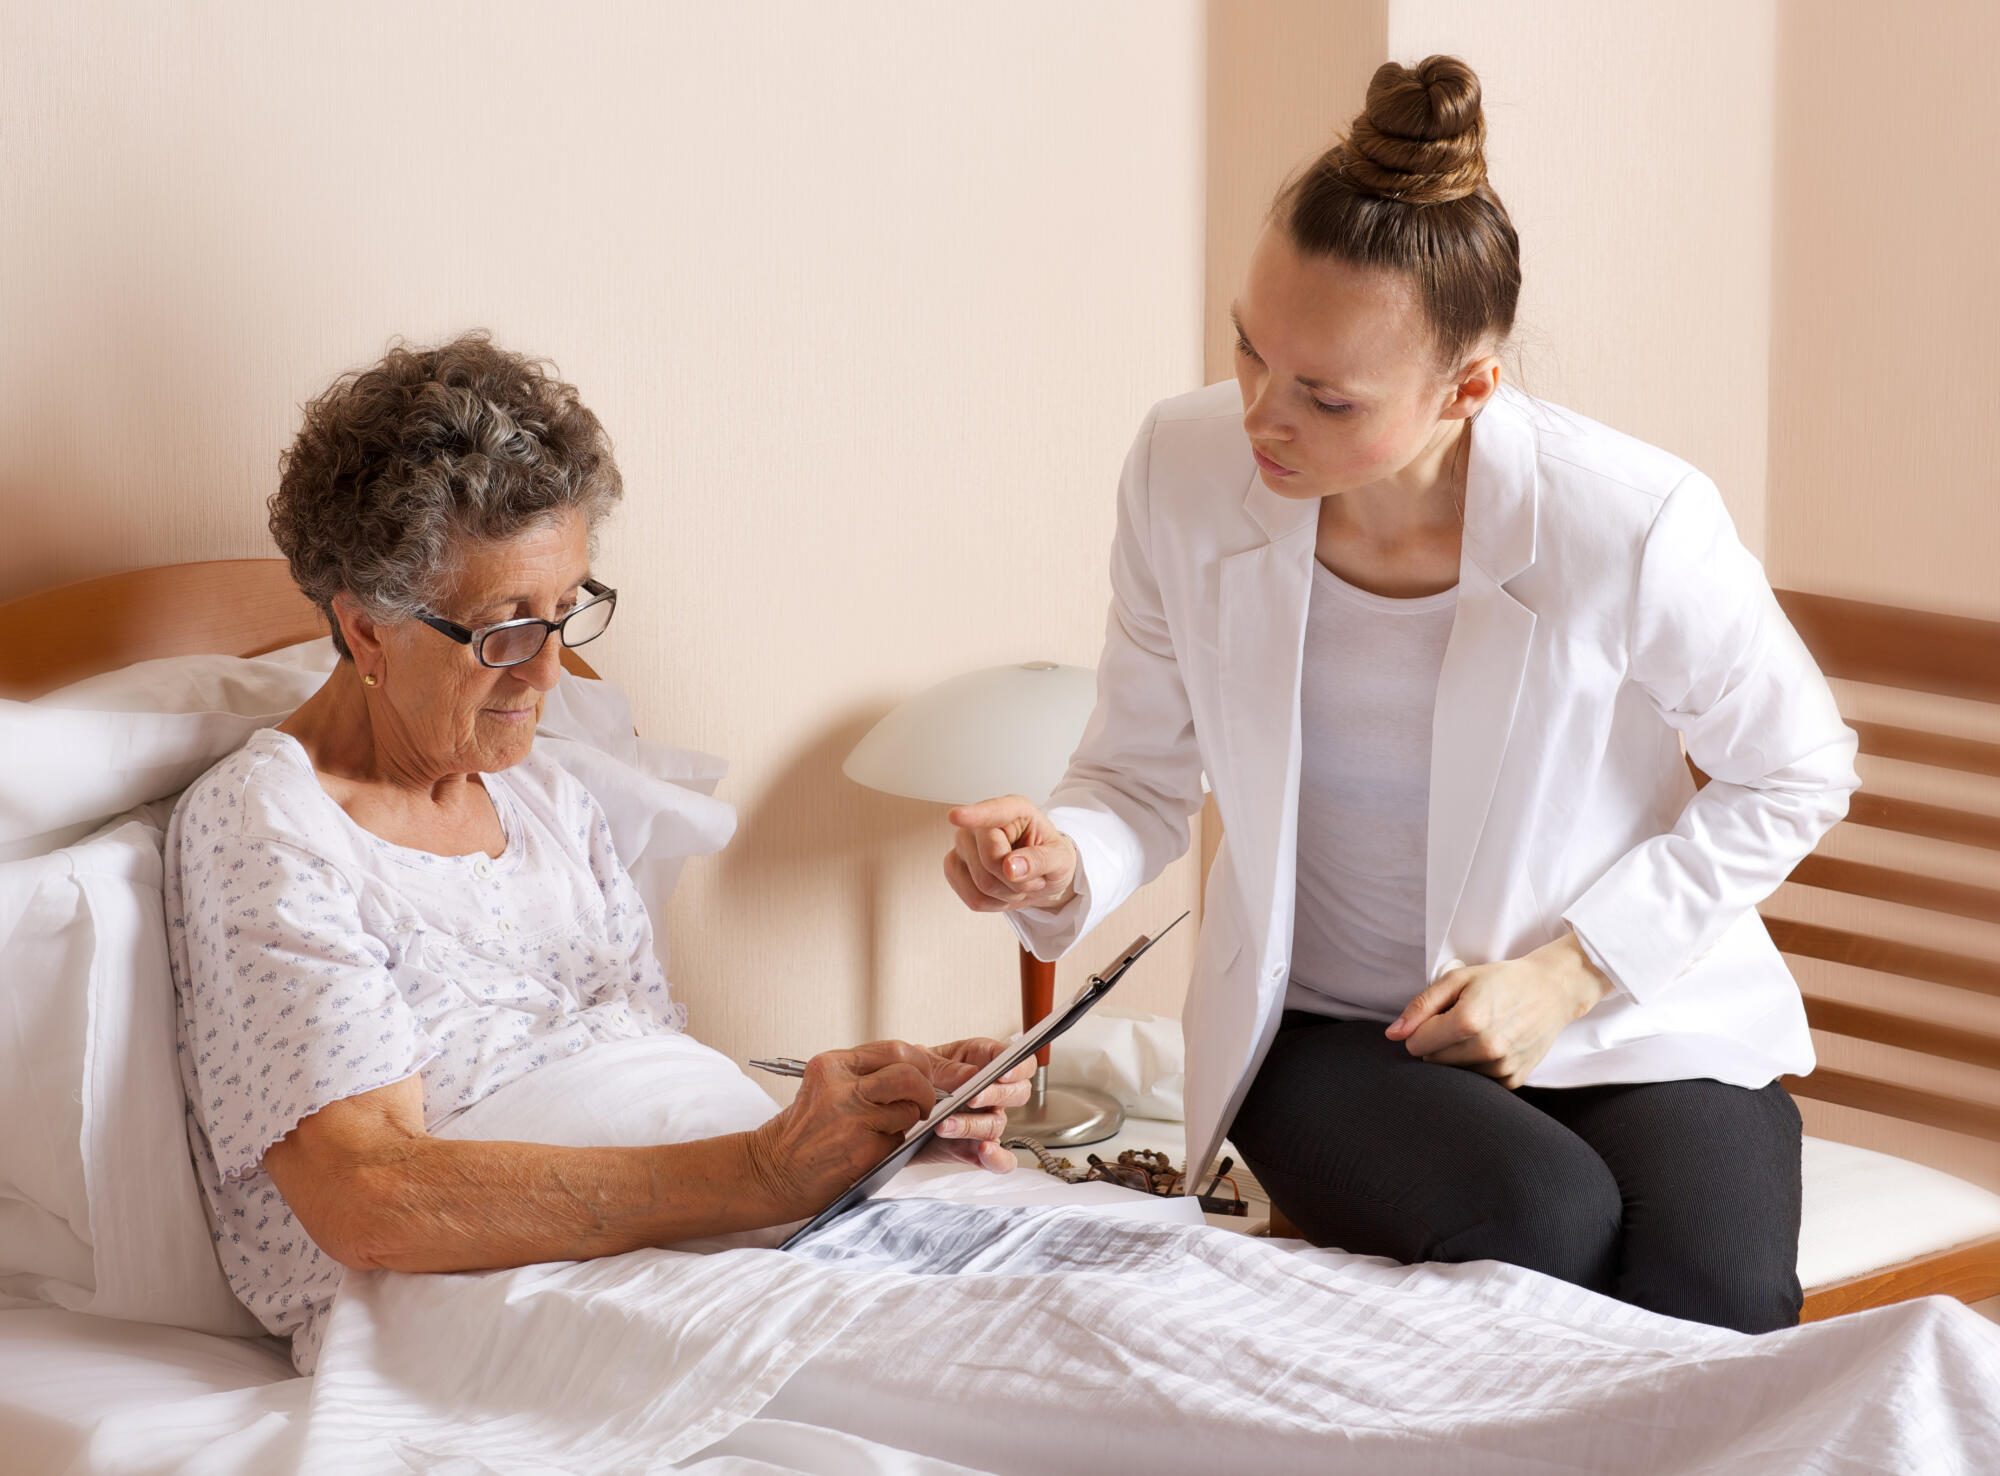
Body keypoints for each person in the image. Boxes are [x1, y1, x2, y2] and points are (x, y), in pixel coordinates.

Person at [942, 56, 1857, 1334]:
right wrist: (1057, 862)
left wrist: (1568, 974)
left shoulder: (1627, 521)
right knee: (1537, 1232)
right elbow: (1137, 775)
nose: (1261, 413)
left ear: (1466, 388)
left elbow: (1795, 767)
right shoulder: (1181, 469)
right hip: (1334, 1026)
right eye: (1249, 351)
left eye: (1323, 396)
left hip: (1626, 1011)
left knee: (1714, 1299)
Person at [166, 332, 1029, 1373]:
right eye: (502, 631)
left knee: (1091, 1298)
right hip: (472, 1294)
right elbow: (370, 1199)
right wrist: (766, 1169)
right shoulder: (270, 823)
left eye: (565, 610)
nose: (547, 675)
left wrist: (862, 1126)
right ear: (364, 632)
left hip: (695, 1233)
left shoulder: (550, 801)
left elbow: (643, 1079)